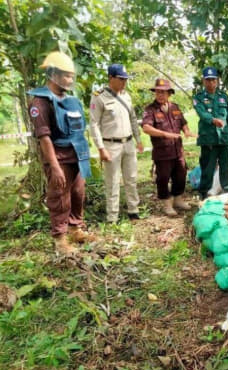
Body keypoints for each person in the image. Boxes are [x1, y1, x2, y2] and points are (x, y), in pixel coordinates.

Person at [27, 51, 93, 255]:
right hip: (59, 158)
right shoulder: (40, 102)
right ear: (53, 74)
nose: (70, 80)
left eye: (72, 75)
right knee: (59, 197)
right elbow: (44, 137)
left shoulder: (72, 101)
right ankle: (60, 238)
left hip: (77, 156)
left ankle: (75, 229)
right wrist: (54, 167)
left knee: (77, 193)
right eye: (66, 75)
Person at [89, 64, 144, 223]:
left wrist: (138, 139)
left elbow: (133, 119)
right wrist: (100, 148)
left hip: (128, 143)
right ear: (111, 78)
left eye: (125, 79)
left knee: (131, 178)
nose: (124, 83)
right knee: (112, 182)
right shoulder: (99, 96)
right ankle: (112, 216)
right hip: (110, 145)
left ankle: (133, 210)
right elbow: (94, 124)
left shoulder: (126, 96)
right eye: (121, 79)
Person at [142, 79, 194, 216]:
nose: (160, 95)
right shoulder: (150, 109)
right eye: (158, 92)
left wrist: (187, 132)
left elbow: (183, 123)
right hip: (162, 152)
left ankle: (178, 199)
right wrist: (165, 134)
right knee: (163, 178)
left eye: (163, 92)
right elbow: (146, 128)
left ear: (169, 93)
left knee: (181, 175)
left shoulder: (175, 107)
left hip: (178, 151)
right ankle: (167, 204)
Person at [193, 66, 228, 200]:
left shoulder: (223, 97)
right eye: (208, 80)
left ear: (217, 81)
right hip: (209, 139)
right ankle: (203, 193)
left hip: (224, 139)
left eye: (213, 80)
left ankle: (227, 191)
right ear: (203, 81)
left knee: (226, 166)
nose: (211, 83)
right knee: (208, 167)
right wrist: (213, 120)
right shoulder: (199, 98)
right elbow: (202, 113)